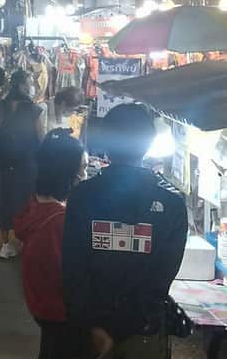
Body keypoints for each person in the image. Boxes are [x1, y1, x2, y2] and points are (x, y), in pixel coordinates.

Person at [62, 104, 188, 359]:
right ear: (150, 143)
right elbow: (160, 279)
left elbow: (72, 268)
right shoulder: (173, 206)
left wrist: (97, 326)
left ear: (106, 142)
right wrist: (121, 328)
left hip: (87, 333)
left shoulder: (82, 196)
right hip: (141, 334)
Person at [14, 130, 87, 359]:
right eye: (82, 168)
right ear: (67, 173)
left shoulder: (35, 203)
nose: (85, 175)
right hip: (60, 312)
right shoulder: (59, 222)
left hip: (43, 307)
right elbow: (67, 277)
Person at [0, 69, 45, 259]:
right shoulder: (33, 109)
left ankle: (5, 245)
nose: (32, 86)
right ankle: (25, 240)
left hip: (4, 159)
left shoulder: (3, 104)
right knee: (26, 201)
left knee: (5, 199)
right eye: (30, 82)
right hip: (27, 160)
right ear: (23, 85)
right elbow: (40, 137)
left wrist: (6, 86)